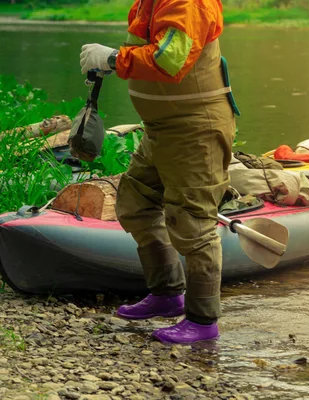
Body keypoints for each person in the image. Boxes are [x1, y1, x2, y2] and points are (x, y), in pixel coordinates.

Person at [79, 0, 239, 344]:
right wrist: (114, 62)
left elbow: (171, 60)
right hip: (161, 127)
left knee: (193, 224)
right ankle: (167, 295)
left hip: (195, 129)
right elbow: (153, 50)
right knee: (136, 203)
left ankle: (202, 321)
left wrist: (112, 58)